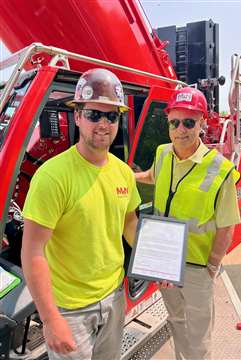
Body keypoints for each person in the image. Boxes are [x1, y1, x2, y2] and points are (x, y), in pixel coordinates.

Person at [21, 68, 140, 360]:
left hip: (113, 297)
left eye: (111, 116)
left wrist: (155, 261)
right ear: (77, 116)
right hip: (71, 309)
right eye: (93, 115)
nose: (103, 124)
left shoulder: (123, 172)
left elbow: (129, 221)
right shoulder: (53, 176)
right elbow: (33, 251)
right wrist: (50, 319)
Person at [135, 87, 241, 360]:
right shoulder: (162, 153)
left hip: (196, 267)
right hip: (164, 262)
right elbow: (152, 176)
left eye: (189, 122)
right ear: (168, 123)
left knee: (198, 335)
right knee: (176, 321)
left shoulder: (221, 169)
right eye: (175, 122)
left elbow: (227, 224)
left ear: (202, 123)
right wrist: (126, 175)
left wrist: (212, 266)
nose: (181, 129)